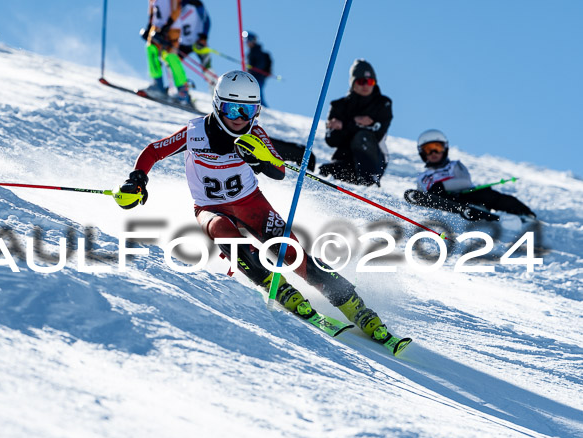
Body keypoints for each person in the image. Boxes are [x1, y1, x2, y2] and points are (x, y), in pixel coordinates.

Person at [115, 69, 401, 346]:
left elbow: (279, 171)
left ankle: (355, 306)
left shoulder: (257, 135)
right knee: (223, 232)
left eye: (247, 111)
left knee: (291, 253)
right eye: (231, 110)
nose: (239, 119)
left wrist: (262, 158)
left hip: (251, 203)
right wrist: (137, 181)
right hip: (210, 208)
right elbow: (154, 150)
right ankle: (277, 287)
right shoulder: (195, 132)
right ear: (217, 105)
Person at [413, 129, 536, 220]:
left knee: (487, 194)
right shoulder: (422, 177)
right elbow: (421, 196)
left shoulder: (454, 165)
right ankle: (460, 207)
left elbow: (465, 181)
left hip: (466, 194)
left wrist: (443, 185)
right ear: (422, 153)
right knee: (437, 194)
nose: (433, 153)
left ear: (444, 149)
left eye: (437, 148)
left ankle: (523, 212)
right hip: (444, 199)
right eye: (428, 150)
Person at [319, 59, 392, 186]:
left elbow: (377, 133)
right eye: (361, 81)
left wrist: (344, 125)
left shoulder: (383, 104)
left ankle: (369, 184)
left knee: (362, 137)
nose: (366, 85)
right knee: (325, 172)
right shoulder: (339, 106)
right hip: (345, 159)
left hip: (373, 161)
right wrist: (356, 122)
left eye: (370, 81)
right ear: (353, 83)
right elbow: (331, 140)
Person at [140, 0, 192, 105]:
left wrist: (166, 27)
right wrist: (149, 27)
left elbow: (176, 9)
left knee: (170, 57)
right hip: (156, 28)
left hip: (172, 28)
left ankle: (183, 92)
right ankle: (157, 85)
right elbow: (153, 11)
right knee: (151, 49)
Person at [174, 0, 213, 85]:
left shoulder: (196, 4)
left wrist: (204, 37)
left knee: (207, 66)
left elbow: (206, 20)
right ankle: (181, 89)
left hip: (198, 41)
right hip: (183, 43)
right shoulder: (175, 5)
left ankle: (214, 89)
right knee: (172, 62)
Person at [243, 31, 272, 107]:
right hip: (253, 76)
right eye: (246, 41)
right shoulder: (251, 52)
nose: (247, 43)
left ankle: (263, 108)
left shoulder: (257, 51)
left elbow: (260, 64)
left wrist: (251, 69)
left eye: (248, 41)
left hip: (258, 77)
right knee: (252, 92)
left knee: (257, 93)